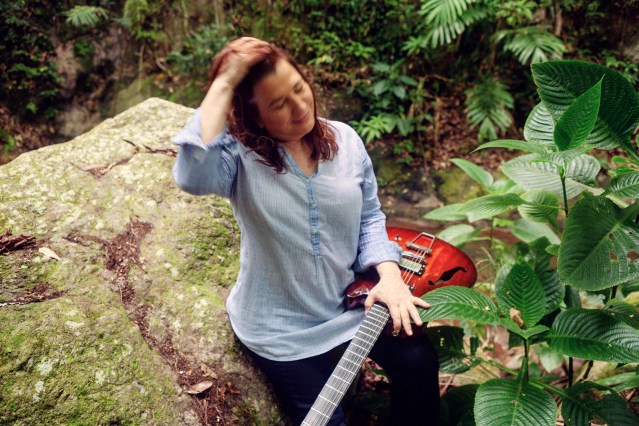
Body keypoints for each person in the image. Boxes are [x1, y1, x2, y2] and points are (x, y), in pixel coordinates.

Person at [172, 36, 440, 425]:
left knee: (417, 360)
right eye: (278, 104)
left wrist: (389, 276)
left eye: (299, 88)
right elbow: (191, 174)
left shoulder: (345, 140)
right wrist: (226, 82)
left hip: (350, 306)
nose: (300, 107)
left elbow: (370, 218)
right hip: (280, 332)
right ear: (252, 116)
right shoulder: (238, 160)